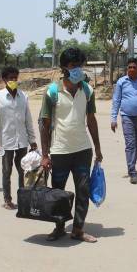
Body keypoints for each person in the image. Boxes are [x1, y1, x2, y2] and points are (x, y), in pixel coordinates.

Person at [39, 47, 103, 243]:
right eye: (73, 66)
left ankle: (77, 229)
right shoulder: (52, 92)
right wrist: (45, 155)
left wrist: (98, 149)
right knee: (58, 193)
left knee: (83, 191)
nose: (78, 69)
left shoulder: (87, 89)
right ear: (64, 68)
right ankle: (59, 227)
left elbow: (91, 120)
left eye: (79, 65)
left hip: (82, 150)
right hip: (59, 151)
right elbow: (45, 124)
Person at [0, 66, 37, 210]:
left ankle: (23, 199)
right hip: (6, 142)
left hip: (22, 141)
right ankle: (7, 200)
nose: (13, 80)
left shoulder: (24, 96)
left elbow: (28, 119)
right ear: (4, 80)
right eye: (10, 78)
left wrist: (32, 140)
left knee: (23, 170)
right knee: (6, 171)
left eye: (15, 78)